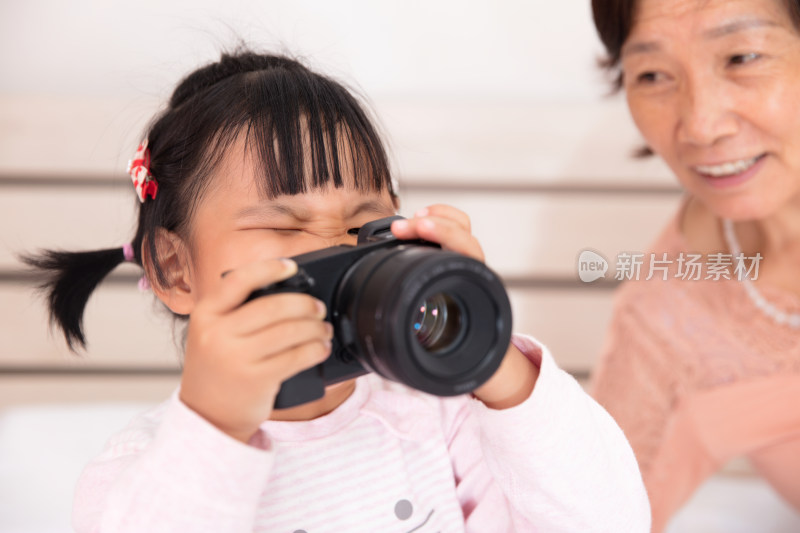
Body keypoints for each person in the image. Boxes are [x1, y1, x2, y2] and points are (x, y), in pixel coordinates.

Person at [25, 49, 648, 532]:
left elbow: (608, 521)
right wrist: (214, 424)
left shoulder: (441, 416)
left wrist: (484, 351)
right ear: (175, 269)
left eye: (363, 224)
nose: (336, 250)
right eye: (282, 224)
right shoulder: (141, 472)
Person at [589, 0, 800, 530]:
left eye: (742, 57)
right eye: (654, 74)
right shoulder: (669, 319)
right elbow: (599, 514)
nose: (701, 127)